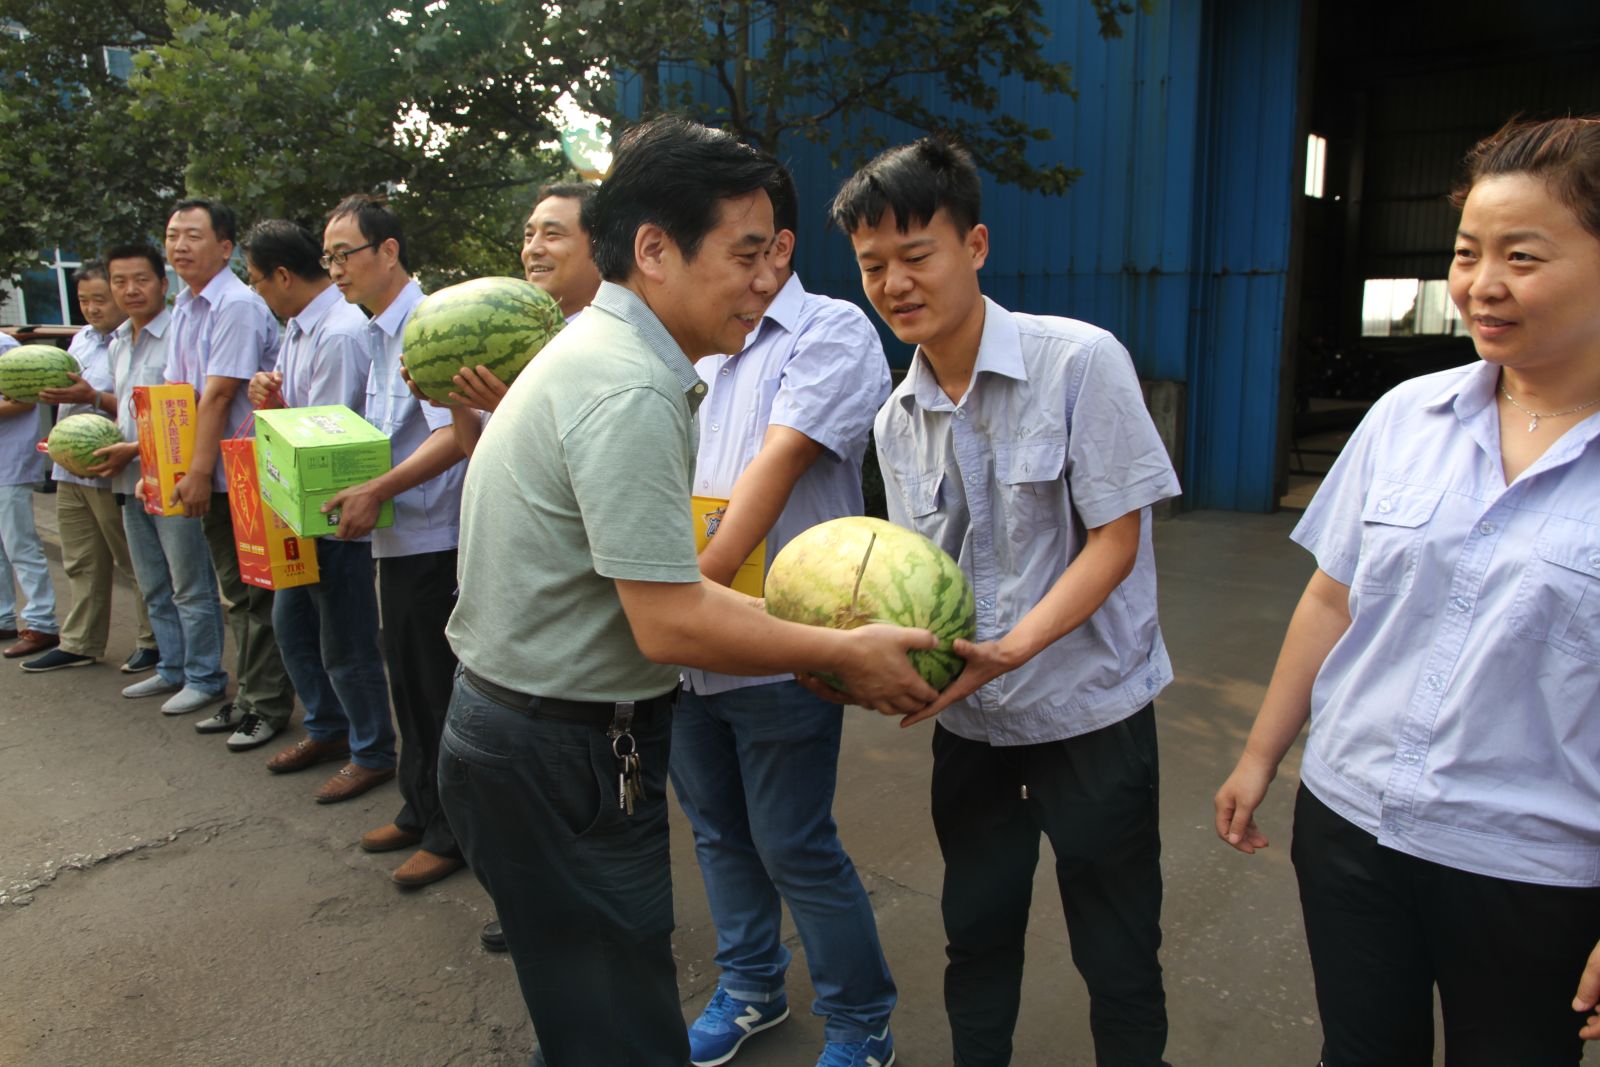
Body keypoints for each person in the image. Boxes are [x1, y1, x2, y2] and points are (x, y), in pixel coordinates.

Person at [437, 115, 938, 1067]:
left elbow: (668, 591)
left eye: (775, 253)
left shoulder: (600, 353)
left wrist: (816, 639)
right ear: (655, 250)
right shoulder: (627, 386)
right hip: (559, 750)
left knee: (594, 1008)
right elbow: (669, 618)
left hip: (535, 733)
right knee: (617, 1025)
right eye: (745, 254)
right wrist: (841, 650)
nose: (765, 278)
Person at [1214, 115, 1600, 1065]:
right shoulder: (1406, 416)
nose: (1481, 284)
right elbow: (1332, 601)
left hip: (1535, 870)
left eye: (1523, 255)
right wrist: (1262, 755)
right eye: (1468, 252)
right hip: (1352, 825)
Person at [829, 136, 1181, 1067]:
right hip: (972, 725)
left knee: (1118, 948)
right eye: (874, 266)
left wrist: (1017, 646)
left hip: (1089, 713)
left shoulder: (1080, 362)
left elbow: (1117, 539)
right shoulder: (893, 417)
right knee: (976, 932)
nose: (895, 283)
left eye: (917, 255)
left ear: (974, 245)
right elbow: (917, 572)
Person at [672, 163, 899, 1067]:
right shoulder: (694, 343)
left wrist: (689, 592)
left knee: (795, 842)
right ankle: (753, 985)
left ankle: (860, 1019)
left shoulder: (829, 330)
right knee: (720, 832)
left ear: (781, 247)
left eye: (747, 245)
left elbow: (779, 462)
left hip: (776, 643)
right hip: (689, 646)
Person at [297, 194, 465, 886]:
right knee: (407, 683)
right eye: (328, 256)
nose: (334, 268)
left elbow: (455, 435)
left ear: (388, 251)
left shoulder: (428, 326)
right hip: (396, 539)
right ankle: (419, 807)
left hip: (434, 537)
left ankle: (453, 832)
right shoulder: (372, 330)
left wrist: (378, 491)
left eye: (345, 254)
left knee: (435, 690)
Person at [241, 220, 396, 774]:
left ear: (282, 275)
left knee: (346, 641)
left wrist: (279, 410)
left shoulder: (338, 332)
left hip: (334, 510)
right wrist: (272, 394)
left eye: (257, 281)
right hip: (299, 509)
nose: (256, 292)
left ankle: (372, 750)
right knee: (295, 628)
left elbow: (327, 437)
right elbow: (301, 415)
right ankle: (329, 729)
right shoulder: (300, 328)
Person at [162, 198, 296, 728]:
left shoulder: (237, 305)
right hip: (213, 474)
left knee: (257, 595)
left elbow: (217, 396)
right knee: (236, 593)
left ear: (224, 247)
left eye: (193, 236)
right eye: (173, 235)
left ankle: (266, 706)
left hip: (241, 473)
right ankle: (247, 698)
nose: (179, 246)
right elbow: (179, 396)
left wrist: (195, 473)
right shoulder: (186, 306)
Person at [97, 244, 230, 710]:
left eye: (141, 279)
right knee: (151, 581)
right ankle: (171, 667)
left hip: (172, 475)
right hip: (130, 479)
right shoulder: (116, 341)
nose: (130, 290)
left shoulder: (177, 331)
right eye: (119, 281)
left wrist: (137, 449)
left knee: (189, 583)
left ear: (161, 282)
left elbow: (189, 406)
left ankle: (204, 674)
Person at [23, 263, 159, 673]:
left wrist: (93, 397)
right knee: (81, 560)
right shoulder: (80, 339)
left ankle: (151, 640)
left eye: (100, 299)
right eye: (84, 301)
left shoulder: (132, 342)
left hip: (111, 467)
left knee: (133, 562)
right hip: (68, 469)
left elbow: (142, 411)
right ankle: (80, 641)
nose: (92, 308)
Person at [0, 333, 60, 660]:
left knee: (19, 544)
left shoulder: (5, 346)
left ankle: (41, 623)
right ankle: (3, 618)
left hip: (9, 460)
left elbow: (25, 399)